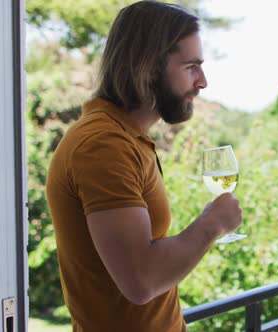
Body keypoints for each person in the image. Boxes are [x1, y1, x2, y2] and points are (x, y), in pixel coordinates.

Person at [46, 2, 242, 331]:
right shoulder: (104, 145)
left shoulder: (126, 138)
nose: (203, 81)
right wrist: (211, 224)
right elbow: (141, 280)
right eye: (191, 66)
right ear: (148, 66)